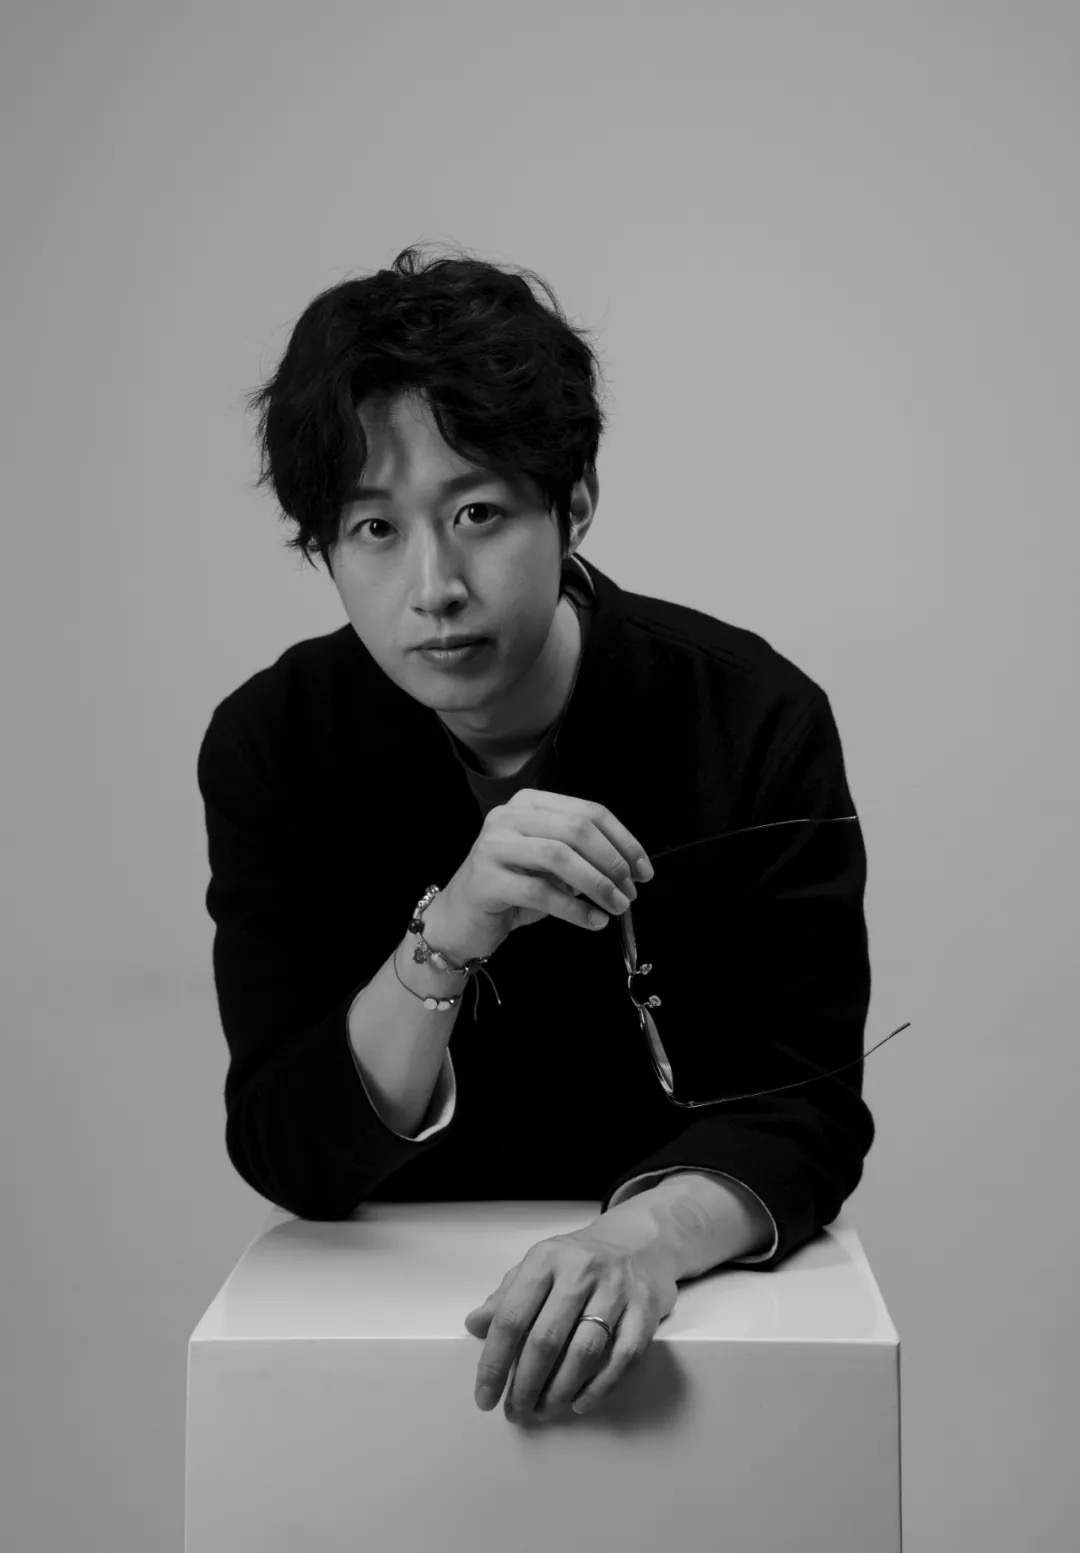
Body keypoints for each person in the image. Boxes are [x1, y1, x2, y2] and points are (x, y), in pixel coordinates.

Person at [196, 243, 875, 1276]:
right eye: (374, 527)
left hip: (688, 1294)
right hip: (385, 1302)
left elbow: (807, 1109)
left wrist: (636, 1242)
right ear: (323, 547)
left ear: (575, 501)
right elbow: (287, 1148)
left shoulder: (750, 717)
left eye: (478, 513)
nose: (435, 586)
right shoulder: (275, 743)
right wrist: (450, 930)